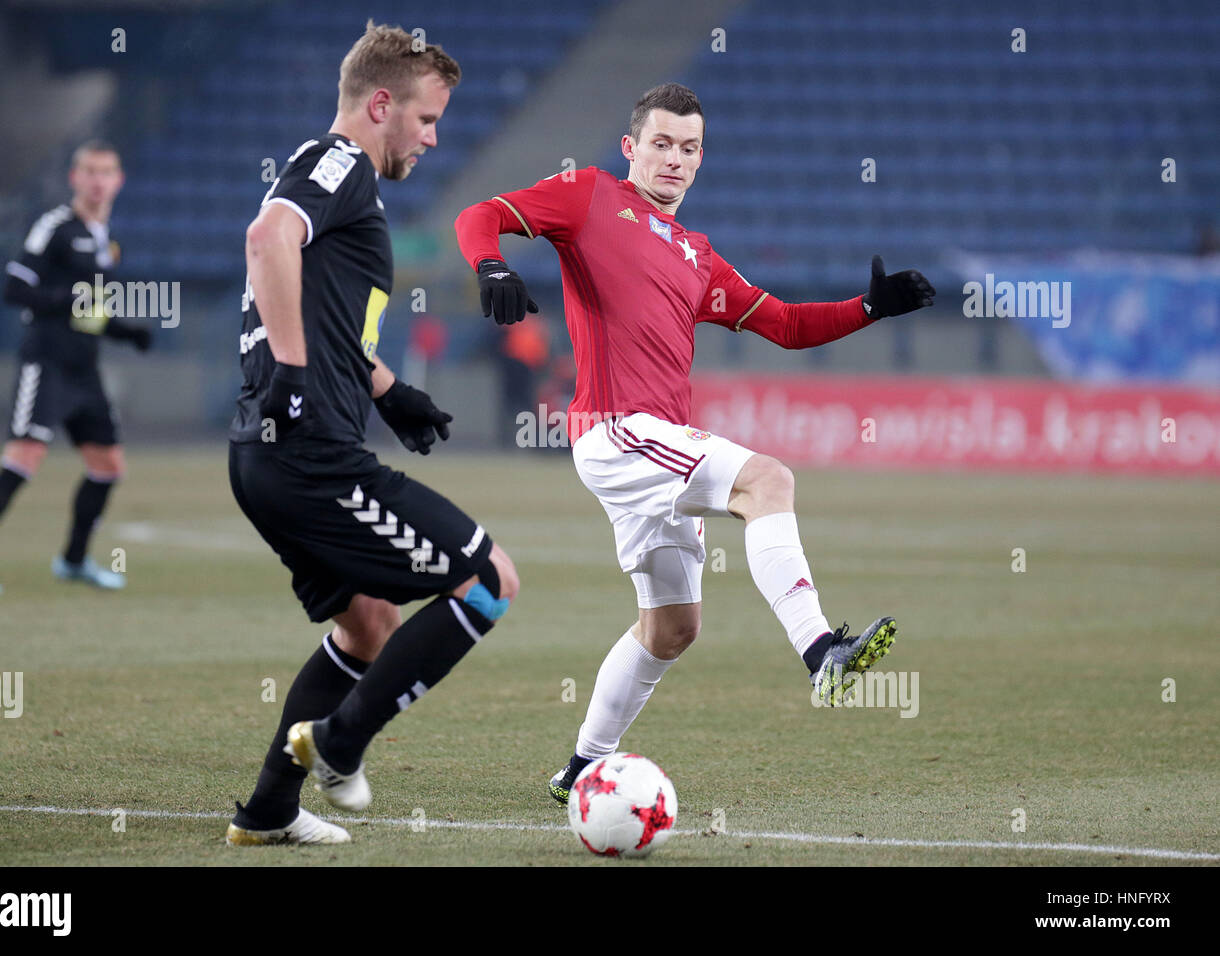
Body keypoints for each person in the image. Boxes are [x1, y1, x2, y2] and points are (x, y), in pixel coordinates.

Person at [454, 82, 935, 803]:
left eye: (688, 148)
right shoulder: (590, 196)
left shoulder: (697, 256)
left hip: (653, 440)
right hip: (619, 429)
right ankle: (821, 651)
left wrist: (869, 308)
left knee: (673, 628)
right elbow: (480, 214)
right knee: (767, 480)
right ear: (631, 148)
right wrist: (489, 265)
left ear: (700, 159)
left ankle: (584, 766)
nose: (674, 159)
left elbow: (786, 324)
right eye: (661, 144)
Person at [225, 21, 519, 846]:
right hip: (310, 451)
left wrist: (390, 391)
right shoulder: (339, 163)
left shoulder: (340, 181)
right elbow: (266, 239)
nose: (431, 139)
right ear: (380, 103)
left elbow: (330, 318)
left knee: (368, 625)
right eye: (426, 121)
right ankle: (342, 741)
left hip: (265, 455)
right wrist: (290, 370)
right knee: (489, 578)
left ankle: (269, 811)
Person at [0, 141, 149, 596]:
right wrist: (61, 300)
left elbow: (87, 310)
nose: (98, 180)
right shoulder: (53, 227)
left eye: (106, 172)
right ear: (75, 178)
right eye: (89, 171)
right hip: (47, 362)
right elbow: (15, 289)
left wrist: (123, 332)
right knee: (24, 458)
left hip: (85, 368)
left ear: (118, 181)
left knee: (108, 465)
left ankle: (73, 560)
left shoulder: (106, 241)